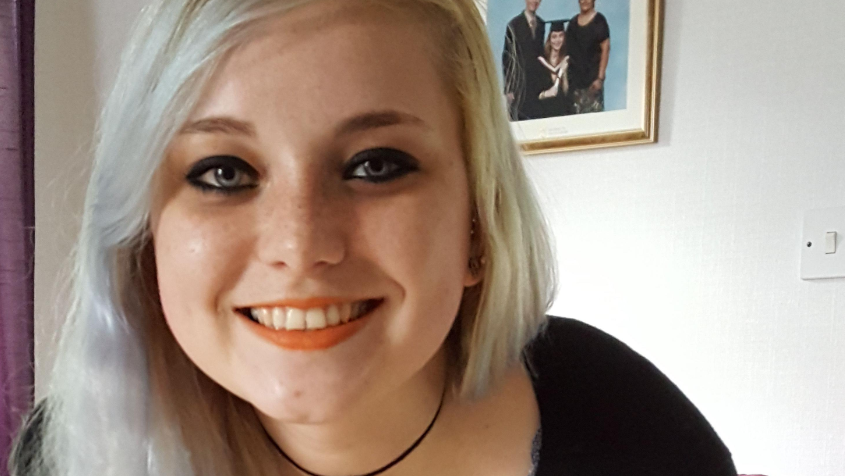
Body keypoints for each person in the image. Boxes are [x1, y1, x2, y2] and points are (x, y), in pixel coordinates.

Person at [8, 0, 737, 475]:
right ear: (145, 232)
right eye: (224, 171)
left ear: (477, 223)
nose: (299, 245)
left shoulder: (629, 430)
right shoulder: (71, 449)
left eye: (376, 165)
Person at [502, 0, 546, 121]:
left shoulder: (541, 25)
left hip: (536, 85)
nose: (535, 1)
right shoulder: (514, 25)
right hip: (519, 85)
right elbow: (507, 58)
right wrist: (508, 89)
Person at [566, 0, 610, 114]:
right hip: (575, 85)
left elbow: (605, 49)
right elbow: (567, 53)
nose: (585, 1)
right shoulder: (572, 24)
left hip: (592, 84)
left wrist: (600, 78)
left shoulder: (599, 21)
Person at [536, 20, 572, 118]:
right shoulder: (541, 61)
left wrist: (562, 74)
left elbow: (567, 93)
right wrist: (545, 94)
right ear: (549, 38)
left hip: (562, 113)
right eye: (554, 36)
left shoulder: (567, 61)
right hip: (543, 113)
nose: (557, 40)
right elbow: (534, 94)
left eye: (561, 36)